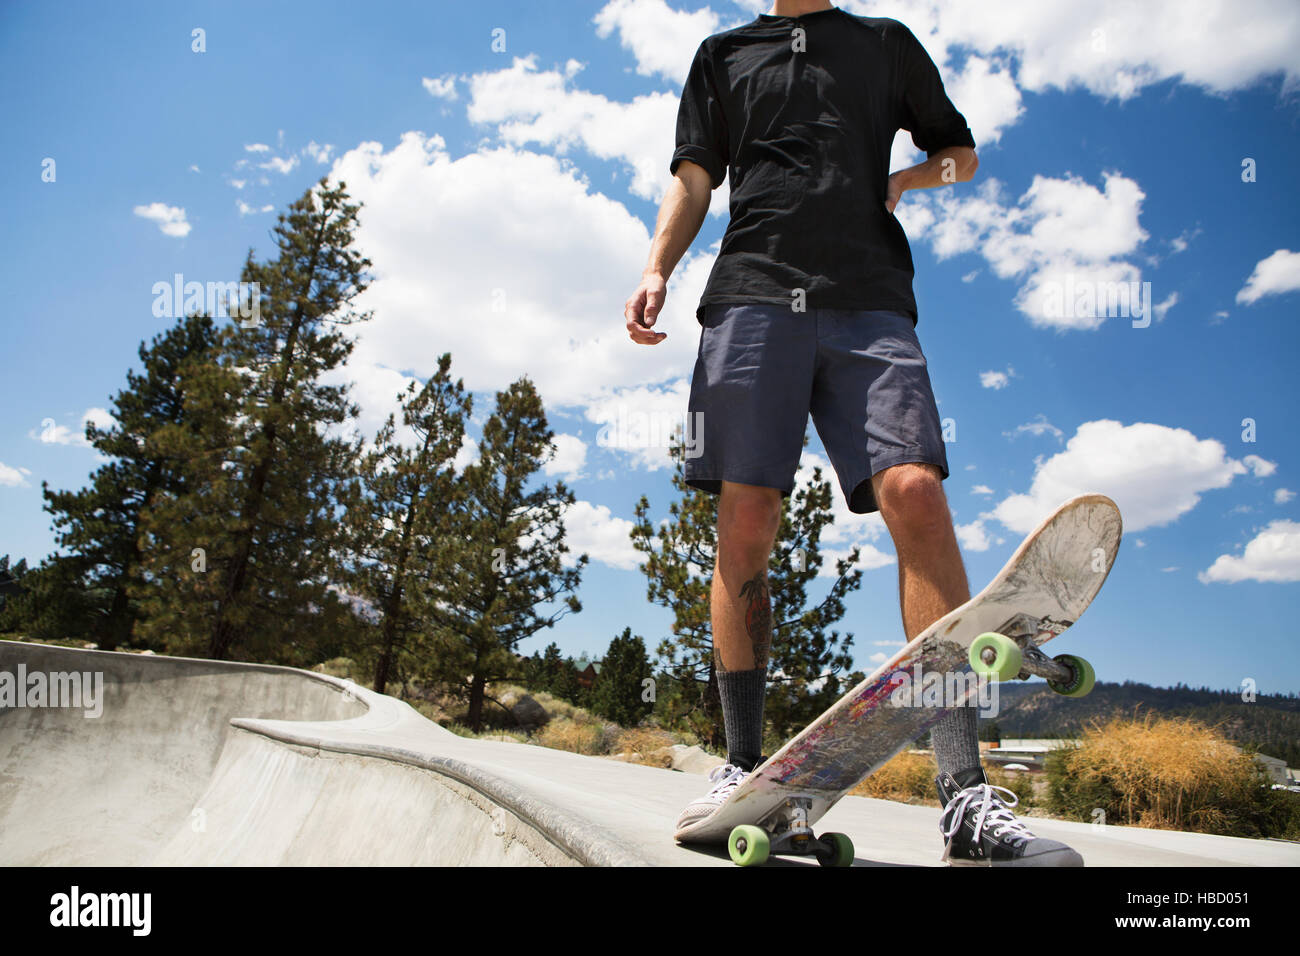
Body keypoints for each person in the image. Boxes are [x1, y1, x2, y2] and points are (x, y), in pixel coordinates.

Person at [624, 1, 1081, 865]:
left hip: (871, 297)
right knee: (746, 516)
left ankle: (964, 798)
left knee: (916, 490)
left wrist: (906, 183)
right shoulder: (722, 55)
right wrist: (657, 265)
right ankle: (743, 766)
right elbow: (693, 177)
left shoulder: (883, 44)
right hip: (752, 292)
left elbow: (962, 156)